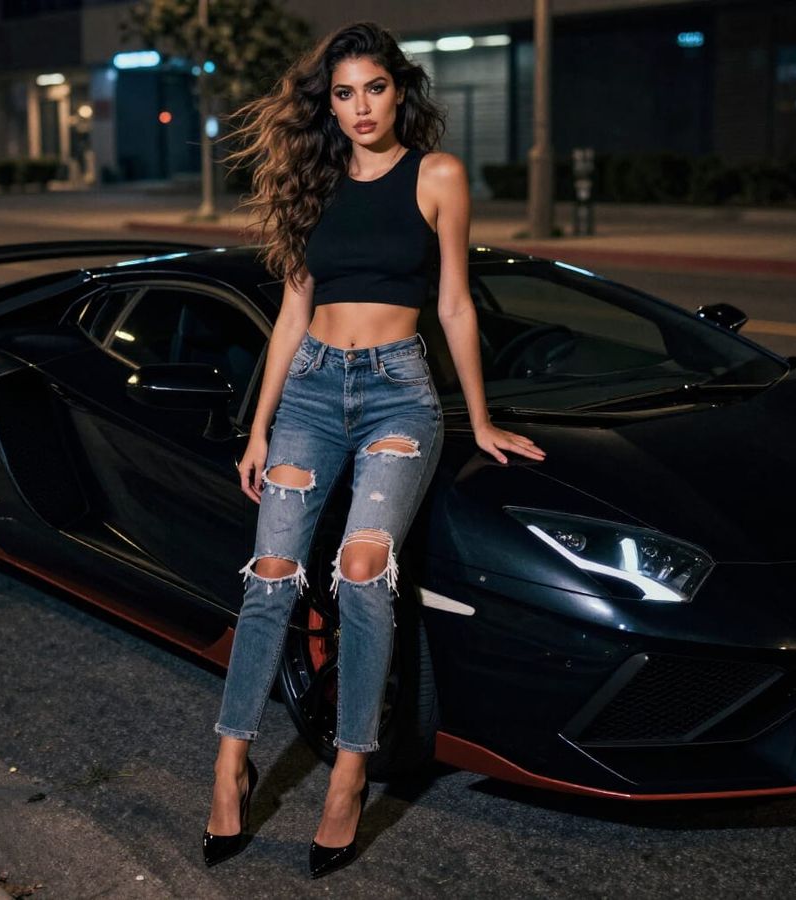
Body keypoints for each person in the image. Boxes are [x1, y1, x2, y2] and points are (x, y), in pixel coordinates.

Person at [201, 21, 547, 878]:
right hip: (313, 390)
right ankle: (229, 762)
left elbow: (458, 305)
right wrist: (259, 423)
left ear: (402, 90)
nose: (361, 108)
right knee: (272, 574)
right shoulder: (312, 183)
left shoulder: (437, 176)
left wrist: (483, 416)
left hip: (398, 391)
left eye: (376, 89)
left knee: (362, 573)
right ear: (332, 103)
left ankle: (350, 773)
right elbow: (291, 313)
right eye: (345, 93)